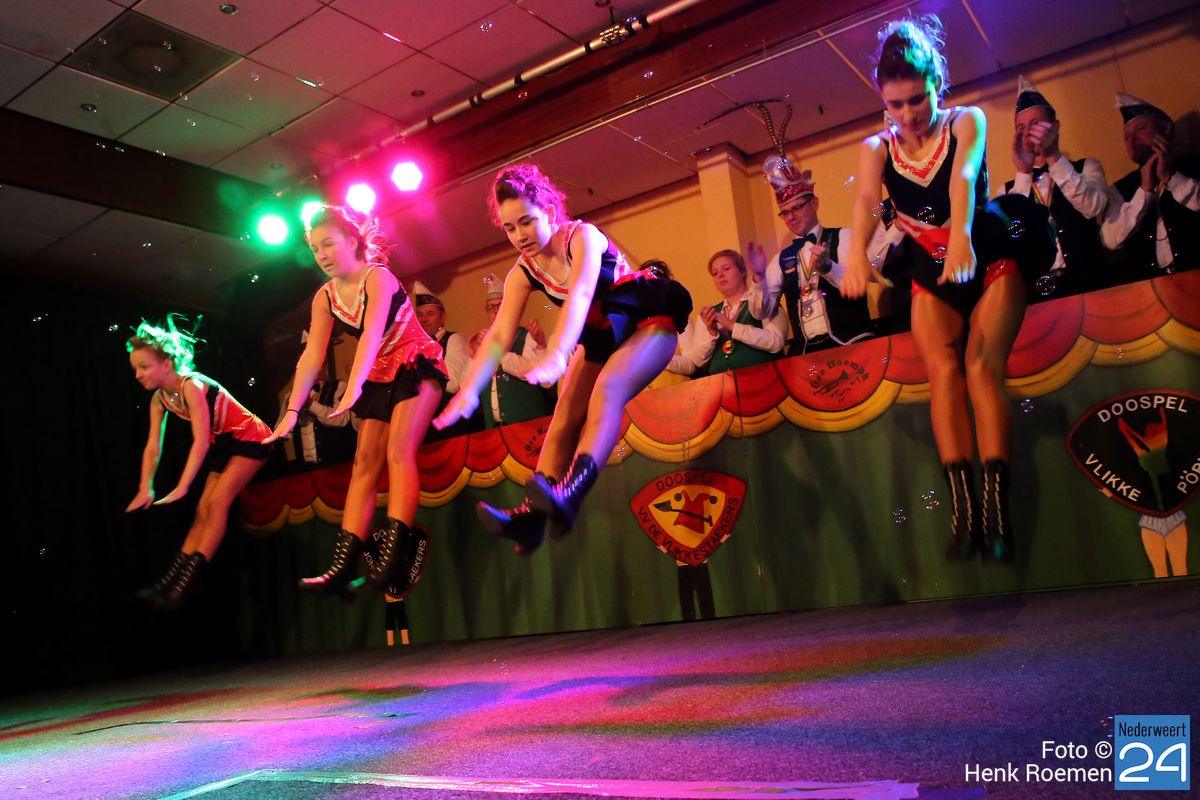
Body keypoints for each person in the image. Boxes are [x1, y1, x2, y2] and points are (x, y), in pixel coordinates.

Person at [841, 16, 1053, 562]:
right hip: (930, 268)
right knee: (943, 372)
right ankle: (964, 511)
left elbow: (962, 179)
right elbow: (864, 201)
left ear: (936, 82)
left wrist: (960, 239)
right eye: (895, 105)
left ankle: (997, 510)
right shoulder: (877, 147)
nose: (908, 115)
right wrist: (854, 254)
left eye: (917, 99)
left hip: (983, 252)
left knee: (980, 367)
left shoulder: (966, 120)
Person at [433, 163, 692, 555]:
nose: (519, 235)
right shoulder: (522, 273)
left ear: (550, 212)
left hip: (648, 321)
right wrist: (469, 391)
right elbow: (499, 335)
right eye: (510, 228)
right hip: (603, 336)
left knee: (605, 392)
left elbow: (582, 294)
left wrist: (557, 353)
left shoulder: (582, 237)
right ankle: (531, 521)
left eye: (527, 222)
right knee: (566, 408)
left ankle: (570, 495)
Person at [267, 206, 447, 596]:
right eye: (315, 249)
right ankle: (343, 566)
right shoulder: (325, 296)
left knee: (398, 452)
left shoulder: (377, 277)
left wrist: (354, 387)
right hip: (379, 373)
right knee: (363, 463)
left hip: (415, 364)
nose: (322, 255)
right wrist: (292, 410)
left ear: (352, 241)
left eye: (329, 244)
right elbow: (311, 356)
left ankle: (393, 558)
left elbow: (371, 334)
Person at [126, 316, 271, 609]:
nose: (138, 375)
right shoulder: (160, 399)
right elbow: (153, 446)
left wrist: (182, 486)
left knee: (216, 503)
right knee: (202, 509)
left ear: (166, 364)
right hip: (225, 444)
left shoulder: (191, 385)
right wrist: (145, 486)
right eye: (135, 369)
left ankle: (188, 582)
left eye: (144, 367)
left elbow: (201, 441)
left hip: (251, 438)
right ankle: (170, 581)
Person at [748, 161, 893, 355]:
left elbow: (859, 281)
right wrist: (759, 278)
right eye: (785, 213)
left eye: (797, 208)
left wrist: (828, 268)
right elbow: (761, 312)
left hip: (853, 345)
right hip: (807, 354)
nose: (790, 217)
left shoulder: (845, 236)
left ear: (814, 203)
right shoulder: (780, 259)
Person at [1003, 76, 1110, 296]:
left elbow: (1094, 208)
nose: (1028, 132)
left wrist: (1053, 156)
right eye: (1021, 127)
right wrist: (1023, 172)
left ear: (1055, 126)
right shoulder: (1007, 191)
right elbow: (1012, 240)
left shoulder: (1087, 167)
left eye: (1035, 123)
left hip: (1089, 286)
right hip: (1037, 295)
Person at [1100, 92, 1200, 277]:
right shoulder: (1120, 188)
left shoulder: (1195, 165)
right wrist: (1144, 191)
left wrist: (1171, 177)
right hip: (1149, 286)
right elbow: (1111, 240)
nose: (1132, 139)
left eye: (1140, 129)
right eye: (1126, 136)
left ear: (1166, 128)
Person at [667, 249, 786, 376]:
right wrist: (711, 333)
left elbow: (776, 342)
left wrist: (732, 327)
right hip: (722, 384)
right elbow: (698, 361)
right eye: (715, 273)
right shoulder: (709, 315)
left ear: (742, 271)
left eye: (726, 269)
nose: (720, 275)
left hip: (763, 379)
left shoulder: (764, 303)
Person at [468, 273, 557, 427]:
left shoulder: (526, 335)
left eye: (500, 306)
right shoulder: (482, 341)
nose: (495, 311)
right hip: (494, 429)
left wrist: (495, 351)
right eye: (491, 307)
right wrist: (475, 355)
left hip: (528, 425)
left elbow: (544, 381)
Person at [413, 281, 482, 439]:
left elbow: (452, 383)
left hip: (451, 425)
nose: (423, 319)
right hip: (425, 427)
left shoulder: (453, 339)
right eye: (420, 315)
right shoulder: (415, 348)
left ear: (442, 318)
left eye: (430, 314)